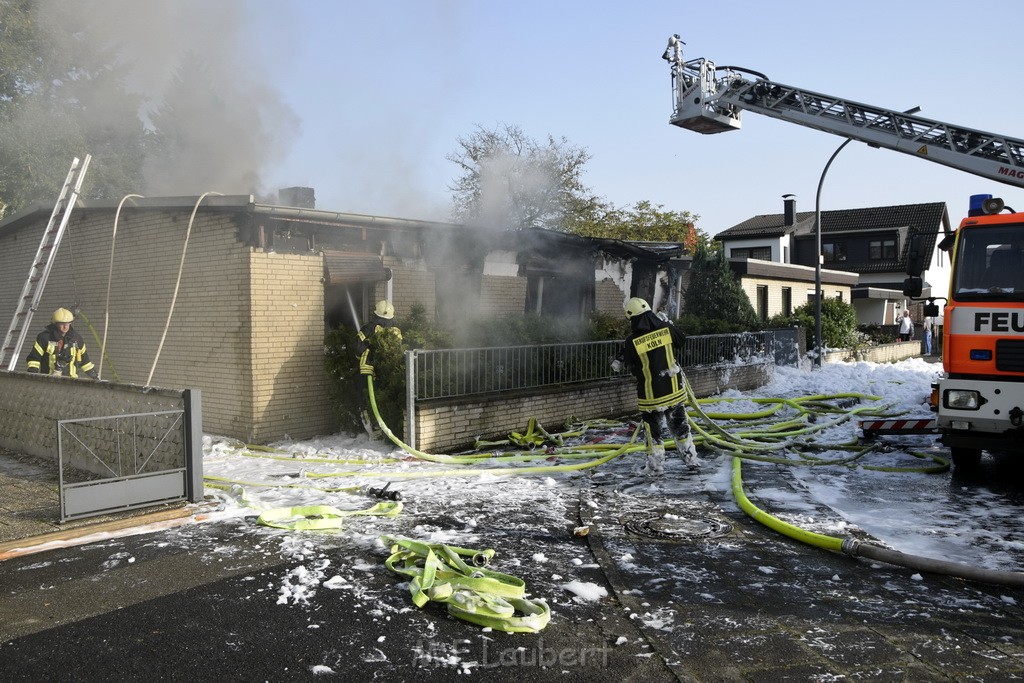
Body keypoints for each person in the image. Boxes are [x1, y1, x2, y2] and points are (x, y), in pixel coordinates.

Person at [612, 297, 699, 474]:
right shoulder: (666, 329)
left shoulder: (631, 341)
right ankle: (691, 460)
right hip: (673, 389)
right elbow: (681, 340)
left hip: (650, 396)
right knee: (681, 427)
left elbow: (629, 365)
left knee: (653, 433)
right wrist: (669, 324)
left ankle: (656, 466)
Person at [25, 307, 98, 379]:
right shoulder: (45, 338)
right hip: (49, 381)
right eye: (62, 324)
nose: (65, 327)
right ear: (55, 324)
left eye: (68, 323)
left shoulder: (76, 339)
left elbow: (85, 361)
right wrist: (33, 373)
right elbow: (34, 358)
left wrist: (95, 376)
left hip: (71, 382)